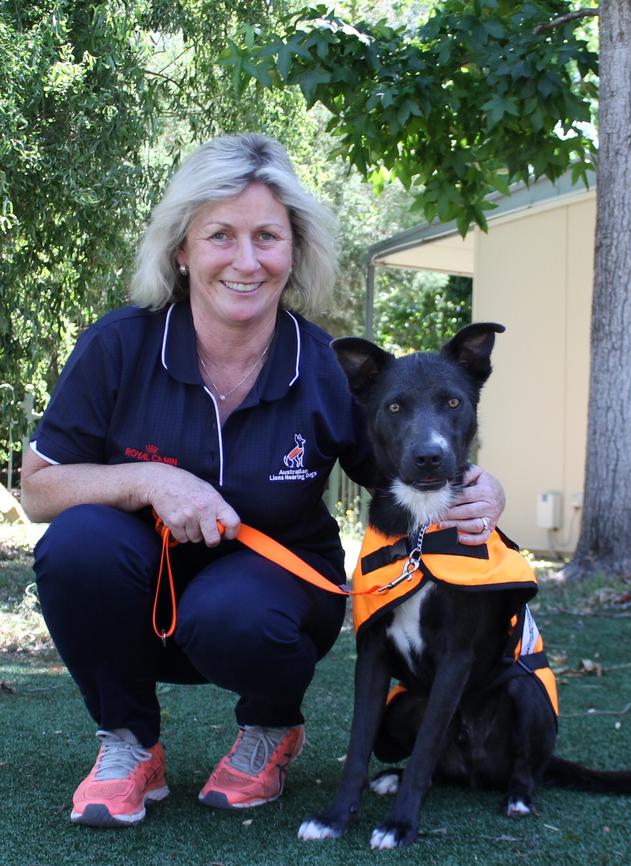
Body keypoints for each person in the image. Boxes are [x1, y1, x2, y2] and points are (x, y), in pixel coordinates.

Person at [21, 133, 506, 828]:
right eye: (220, 235)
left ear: (294, 251)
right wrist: (151, 480)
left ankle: (270, 727)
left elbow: (401, 475)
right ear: (181, 250)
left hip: (267, 608)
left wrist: (483, 489)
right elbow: (38, 489)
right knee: (76, 546)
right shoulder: (119, 344)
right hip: (139, 593)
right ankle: (129, 742)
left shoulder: (327, 365)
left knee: (233, 614)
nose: (246, 262)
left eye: (267, 238)